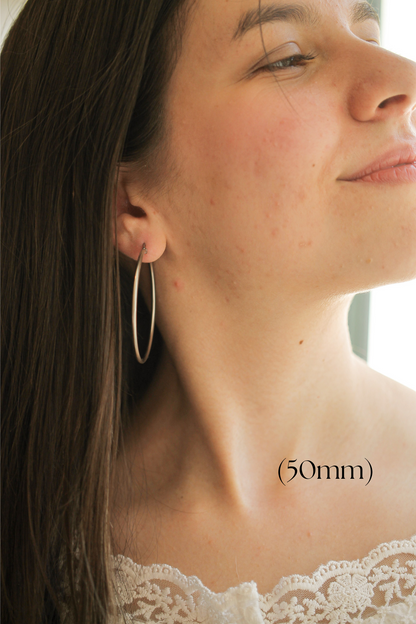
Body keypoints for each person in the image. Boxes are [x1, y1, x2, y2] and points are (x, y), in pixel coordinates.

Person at [2, 0, 416, 621]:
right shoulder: (29, 560)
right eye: (289, 58)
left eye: (370, 31)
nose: (403, 81)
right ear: (130, 207)